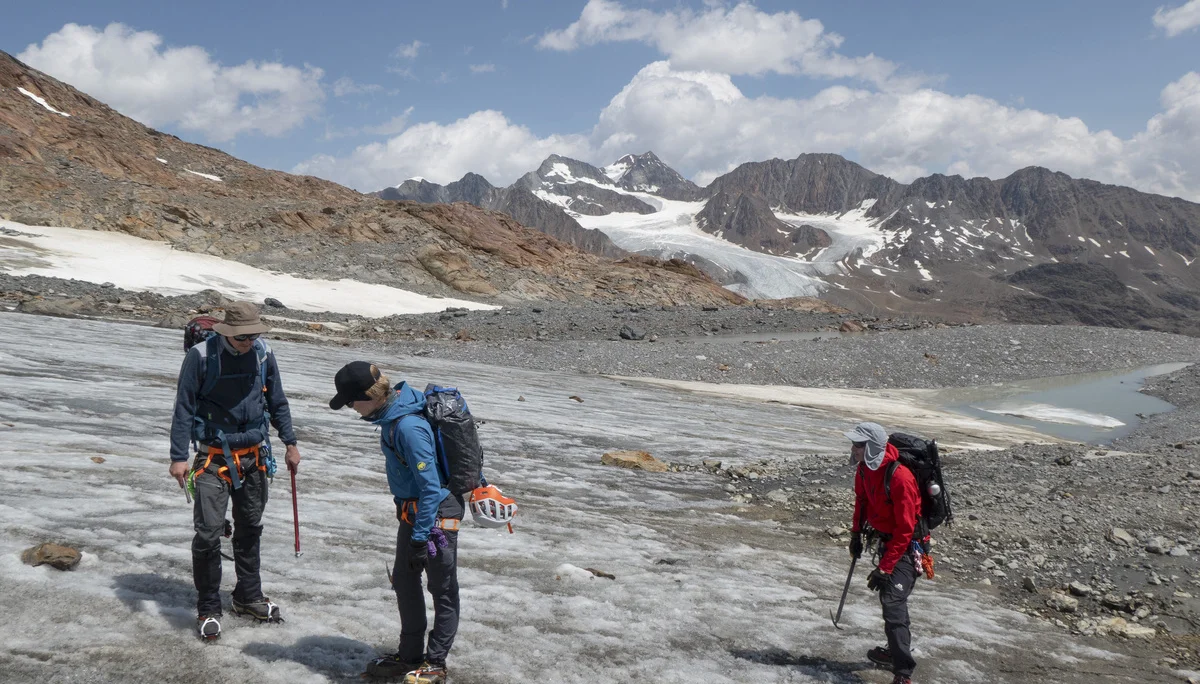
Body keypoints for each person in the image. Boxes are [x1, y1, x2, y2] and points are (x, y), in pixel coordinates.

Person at [168, 301, 301, 640]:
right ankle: (209, 607)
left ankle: (248, 595)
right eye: (243, 336)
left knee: (250, 527)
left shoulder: (263, 354)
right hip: (213, 459)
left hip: (254, 457)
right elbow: (184, 407)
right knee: (209, 533)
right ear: (228, 333)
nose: (248, 341)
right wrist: (178, 456)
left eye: (253, 335)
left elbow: (278, 401)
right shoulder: (200, 356)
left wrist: (290, 442)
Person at [329, 361, 461, 684]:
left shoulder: (407, 427)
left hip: (436, 515)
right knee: (404, 581)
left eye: (350, 402)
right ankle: (410, 655)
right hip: (414, 514)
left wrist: (419, 538)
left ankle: (436, 663)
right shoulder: (391, 415)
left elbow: (431, 488)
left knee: (441, 589)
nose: (350, 408)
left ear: (369, 397)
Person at [846, 422, 921, 684]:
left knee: (892, 601)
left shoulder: (901, 478)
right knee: (893, 601)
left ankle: (903, 672)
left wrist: (886, 568)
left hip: (907, 547)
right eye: (853, 444)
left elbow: (906, 530)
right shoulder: (865, 470)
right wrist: (856, 534)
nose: (853, 449)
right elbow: (862, 501)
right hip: (886, 542)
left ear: (872, 447)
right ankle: (894, 652)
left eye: (858, 444)